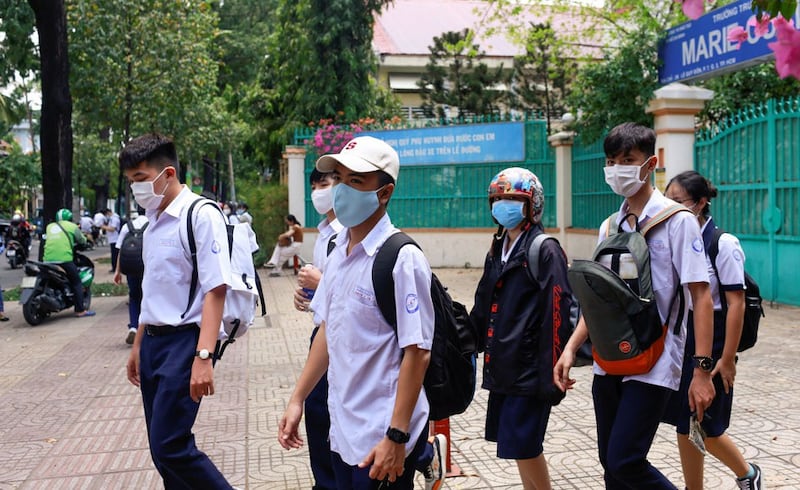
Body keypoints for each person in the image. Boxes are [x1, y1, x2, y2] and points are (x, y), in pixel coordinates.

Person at [553, 122, 716, 489]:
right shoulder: (610, 227)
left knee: (626, 461)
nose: (618, 168)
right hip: (610, 357)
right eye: (612, 160)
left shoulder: (678, 222)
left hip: (656, 361)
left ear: (651, 163)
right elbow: (601, 302)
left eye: (628, 159)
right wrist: (571, 348)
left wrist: (702, 371)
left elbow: (701, 297)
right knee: (610, 464)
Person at [278, 135, 439, 489]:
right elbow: (327, 333)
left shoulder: (401, 258)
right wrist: (297, 399)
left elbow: (418, 352)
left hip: (381, 437)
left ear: (384, 193)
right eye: (339, 179)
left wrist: (396, 437)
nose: (341, 190)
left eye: (356, 181)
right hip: (344, 428)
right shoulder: (339, 252)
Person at [120, 133, 234, 489]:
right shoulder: (153, 221)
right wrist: (139, 344)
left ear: (167, 173)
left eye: (140, 179)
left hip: (186, 343)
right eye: (130, 182)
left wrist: (204, 355)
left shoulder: (201, 215)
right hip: (154, 344)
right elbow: (152, 292)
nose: (136, 189)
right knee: (160, 449)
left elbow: (216, 290)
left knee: (170, 446)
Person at [469, 167, 572, 490]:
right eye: (498, 199)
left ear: (532, 205)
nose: (504, 205)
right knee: (519, 448)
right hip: (504, 366)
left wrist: (552, 372)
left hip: (530, 370)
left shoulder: (545, 248)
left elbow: (558, 311)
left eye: (513, 198)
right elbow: (483, 303)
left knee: (526, 447)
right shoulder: (498, 247)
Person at [662, 171, 762, 490]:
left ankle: (748, 475)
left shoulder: (722, 243)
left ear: (701, 203)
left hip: (716, 336)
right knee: (684, 421)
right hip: (686, 333)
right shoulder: (678, 239)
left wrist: (728, 357)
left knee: (707, 423)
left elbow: (736, 304)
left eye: (678, 202)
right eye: (667, 203)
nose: (671, 209)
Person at [292, 168, 344, 490]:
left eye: (324, 184)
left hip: (347, 336)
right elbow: (327, 293)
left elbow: (353, 291)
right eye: (314, 186)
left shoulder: (351, 232)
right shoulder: (324, 233)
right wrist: (307, 295)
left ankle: (420, 452)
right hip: (322, 332)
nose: (318, 192)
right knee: (316, 408)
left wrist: (320, 284)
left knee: (329, 410)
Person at [43, 208, 95, 318]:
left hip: (47, 260)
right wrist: (87, 241)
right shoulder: (72, 227)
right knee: (76, 282)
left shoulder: (50, 226)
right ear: (70, 218)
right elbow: (82, 240)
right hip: (64, 259)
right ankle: (80, 310)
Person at [113, 209, 149, 346]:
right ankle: (144, 329)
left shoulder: (127, 226)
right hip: (147, 269)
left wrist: (118, 271)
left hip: (131, 268)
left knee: (134, 297)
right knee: (147, 297)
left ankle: (134, 327)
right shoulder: (153, 223)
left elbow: (120, 249)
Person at [102, 208, 121, 274]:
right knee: (114, 254)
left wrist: (103, 226)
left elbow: (112, 229)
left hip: (115, 239)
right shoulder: (112, 218)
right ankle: (114, 267)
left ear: (108, 212)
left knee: (115, 255)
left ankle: (115, 268)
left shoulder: (115, 219)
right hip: (112, 239)